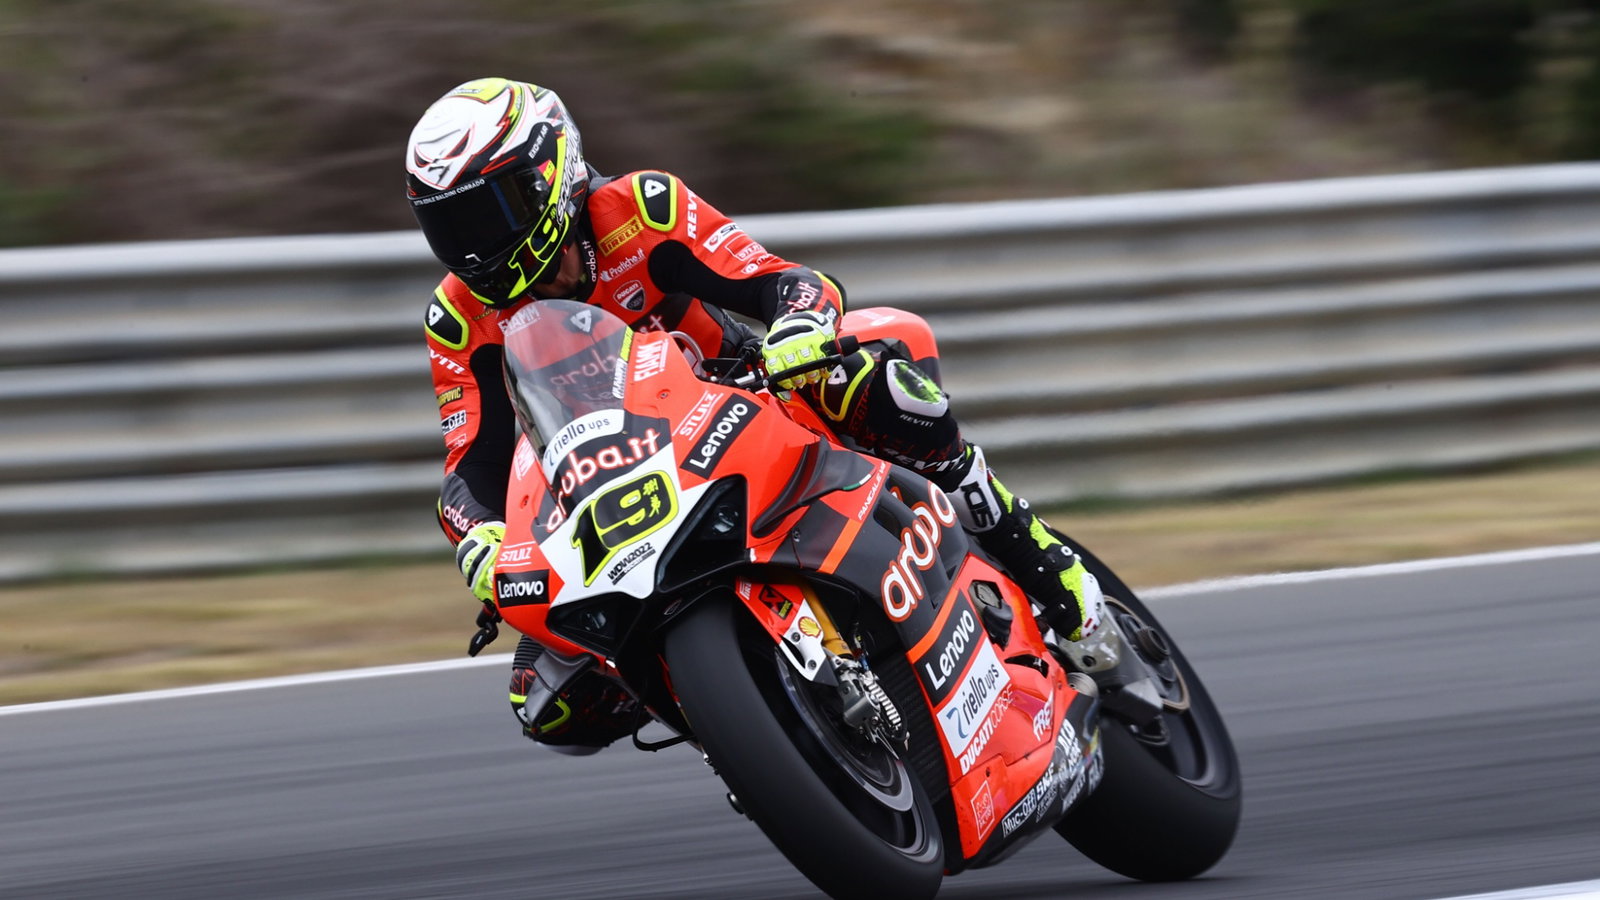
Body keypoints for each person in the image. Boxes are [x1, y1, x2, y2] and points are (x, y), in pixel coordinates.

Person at [407, 77, 1111, 751]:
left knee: (871, 384)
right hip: (609, 491)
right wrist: (479, 536)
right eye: (447, 226)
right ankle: (752, 725)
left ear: (549, 173)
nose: (472, 246)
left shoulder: (638, 208)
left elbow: (782, 283)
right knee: (547, 698)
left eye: (487, 212)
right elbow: (470, 464)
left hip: (739, 400)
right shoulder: (459, 317)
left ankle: (1026, 543)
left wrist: (798, 329)